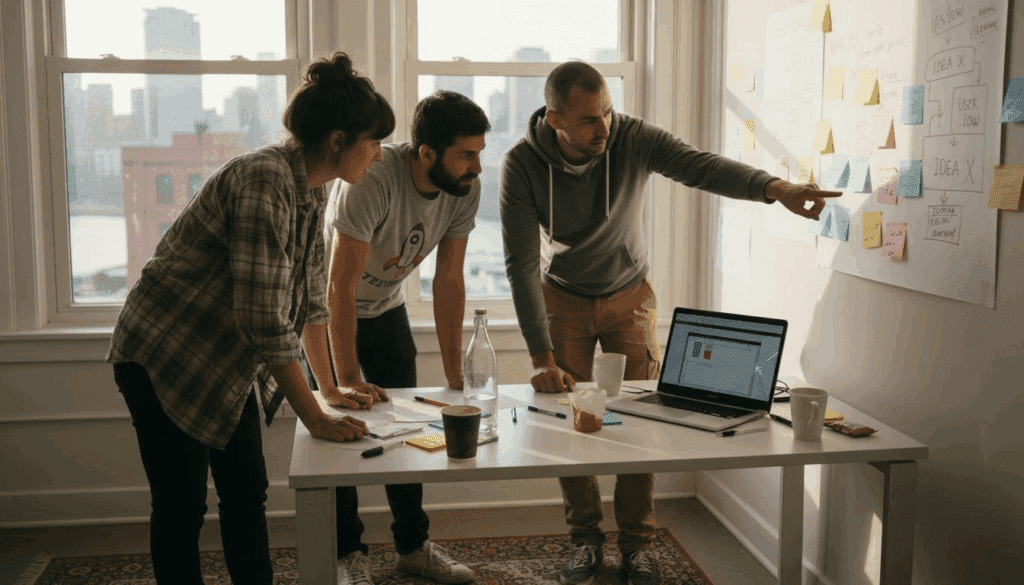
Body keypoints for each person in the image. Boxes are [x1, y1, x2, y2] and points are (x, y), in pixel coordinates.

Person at [499, 61, 842, 585]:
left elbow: (698, 165)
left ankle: (637, 545)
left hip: (630, 295)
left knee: (639, 420)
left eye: (608, 113)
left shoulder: (631, 137)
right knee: (573, 422)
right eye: (590, 120)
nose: (605, 128)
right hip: (561, 297)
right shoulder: (521, 164)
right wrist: (540, 356)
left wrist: (774, 188)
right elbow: (521, 263)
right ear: (555, 118)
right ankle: (585, 540)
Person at [107, 52, 393, 584]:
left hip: (225, 361)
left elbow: (309, 300)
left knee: (245, 494)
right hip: (163, 354)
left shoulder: (315, 187)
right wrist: (315, 419)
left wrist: (327, 391)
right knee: (182, 505)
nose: (378, 156)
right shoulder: (263, 180)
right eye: (372, 143)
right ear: (337, 140)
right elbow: (264, 320)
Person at [322, 90, 490, 585]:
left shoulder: (464, 188)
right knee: (339, 438)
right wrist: (347, 377)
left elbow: (449, 280)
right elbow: (340, 288)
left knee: (410, 431)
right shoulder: (372, 179)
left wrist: (457, 372)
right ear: (426, 154)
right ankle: (346, 554)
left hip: (388, 310)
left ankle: (412, 547)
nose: (476, 166)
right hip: (328, 312)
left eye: (479, 153)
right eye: (466, 154)